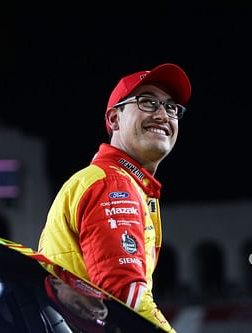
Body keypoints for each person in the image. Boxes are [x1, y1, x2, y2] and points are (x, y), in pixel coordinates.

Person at [38, 63, 191, 332]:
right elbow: (125, 299)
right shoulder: (112, 183)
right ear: (114, 120)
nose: (162, 115)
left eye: (171, 107)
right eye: (147, 102)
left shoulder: (108, 180)